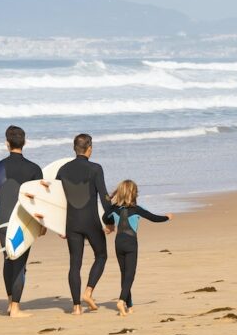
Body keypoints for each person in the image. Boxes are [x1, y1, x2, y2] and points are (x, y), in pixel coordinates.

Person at [0, 125, 44, 318]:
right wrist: (42, 224)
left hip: (3, 223)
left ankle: (10, 302)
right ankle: (16, 308)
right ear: (24, 143)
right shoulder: (34, 169)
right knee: (20, 263)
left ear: (7, 144)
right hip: (24, 223)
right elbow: (39, 200)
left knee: (8, 259)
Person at [52, 133, 112, 315]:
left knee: (74, 264)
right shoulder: (95, 169)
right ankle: (88, 292)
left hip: (72, 223)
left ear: (74, 149)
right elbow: (105, 197)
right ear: (90, 148)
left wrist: (58, 225)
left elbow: (56, 200)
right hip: (91, 221)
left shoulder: (63, 169)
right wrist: (109, 221)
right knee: (101, 256)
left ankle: (76, 307)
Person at [102, 180, 173, 316]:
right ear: (134, 193)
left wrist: (110, 225)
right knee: (130, 274)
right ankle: (121, 300)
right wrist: (167, 217)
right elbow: (154, 218)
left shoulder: (113, 209)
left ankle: (130, 305)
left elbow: (105, 217)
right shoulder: (137, 209)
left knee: (125, 274)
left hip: (118, 243)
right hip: (131, 243)